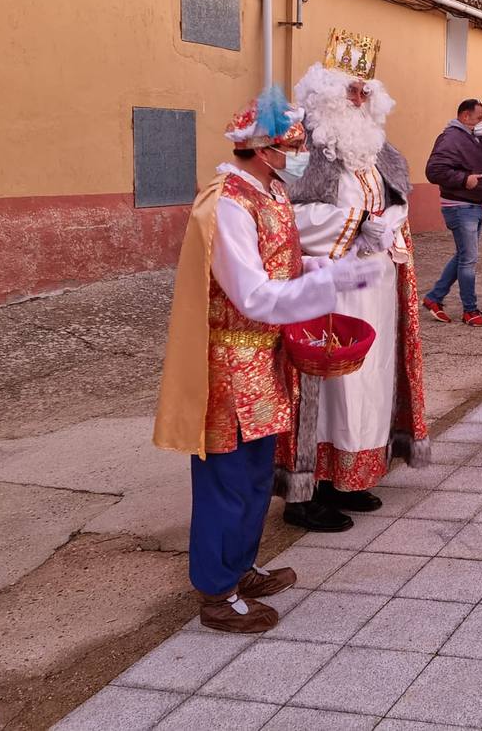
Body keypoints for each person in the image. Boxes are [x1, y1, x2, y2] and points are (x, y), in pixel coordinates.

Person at [152, 86, 380, 633]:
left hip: (264, 358)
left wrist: (325, 268)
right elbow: (251, 294)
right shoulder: (227, 203)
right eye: (293, 146)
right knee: (226, 480)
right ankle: (215, 592)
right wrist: (329, 286)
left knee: (256, 475)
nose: (300, 155)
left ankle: (240, 568)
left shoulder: (269, 190)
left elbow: (282, 264)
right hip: (229, 366)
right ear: (262, 148)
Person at [278, 29, 430, 532]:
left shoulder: (381, 149)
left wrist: (390, 219)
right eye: (351, 89)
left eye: (366, 90)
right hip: (327, 283)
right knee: (325, 385)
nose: (360, 98)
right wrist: (351, 224)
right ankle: (306, 491)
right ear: (326, 92)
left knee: (368, 377)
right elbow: (282, 216)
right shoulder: (300, 148)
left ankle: (350, 477)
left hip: (376, 283)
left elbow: (396, 197)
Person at [422, 98, 482, 326]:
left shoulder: (477, 138)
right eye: (479, 118)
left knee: (463, 255)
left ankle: (434, 298)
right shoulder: (451, 138)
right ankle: (470, 310)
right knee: (469, 260)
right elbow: (434, 170)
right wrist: (464, 180)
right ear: (465, 116)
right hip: (460, 206)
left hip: (475, 206)